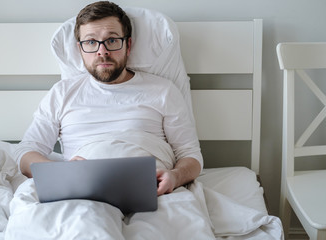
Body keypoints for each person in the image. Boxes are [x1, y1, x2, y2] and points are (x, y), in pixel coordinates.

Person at [15, 1, 202, 197]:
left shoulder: (163, 91)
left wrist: (175, 176)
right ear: (80, 49)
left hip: (154, 191)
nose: (102, 51)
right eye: (91, 42)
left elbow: (190, 154)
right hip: (82, 191)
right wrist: (61, 172)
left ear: (128, 45)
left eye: (112, 40)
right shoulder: (63, 93)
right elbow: (26, 152)